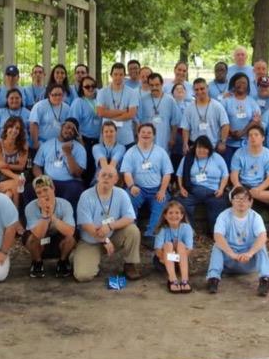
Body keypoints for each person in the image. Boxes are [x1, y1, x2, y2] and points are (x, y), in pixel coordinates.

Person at [72, 160, 141, 288]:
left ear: (116, 180)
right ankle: (77, 257)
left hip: (113, 235)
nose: (106, 178)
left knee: (133, 230)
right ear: (97, 176)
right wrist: (104, 240)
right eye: (103, 175)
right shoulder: (86, 196)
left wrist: (110, 226)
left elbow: (130, 217)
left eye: (110, 176)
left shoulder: (121, 194)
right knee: (83, 276)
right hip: (90, 241)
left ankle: (130, 264)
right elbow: (86, 225)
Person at [206, 184, 269, 297]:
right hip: (228, 260)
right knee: (217, 246)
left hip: (248, 260)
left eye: (245, 199)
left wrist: (250, 253)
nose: (241, 202)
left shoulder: (255, 217)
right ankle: (213, 278)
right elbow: (218, 236)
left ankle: (265, 279)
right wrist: (231, 254)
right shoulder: (223, 216)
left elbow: (263, 236)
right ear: (232, 201)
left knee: (261, 246)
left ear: (250, 202)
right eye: (237, 198)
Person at [121, 121, 174, 241]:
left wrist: (162, 190)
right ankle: (131, 232)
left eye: (149, 132)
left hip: (157, 188)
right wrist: (131, 186)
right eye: (143, 132)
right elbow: (127, 173)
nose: (146, 135)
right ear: (138, 134)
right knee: (128, 199)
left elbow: (167, 174)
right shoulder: (131, 152)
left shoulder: (161, 152)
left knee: (162, 204)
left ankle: (151, 234)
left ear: (154, 135)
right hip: (138, 188)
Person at [23, 172, 76, 277]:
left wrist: (53, 217)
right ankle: (37, 262)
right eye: (39, 192)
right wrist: (45, 216)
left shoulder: (65, 204)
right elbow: (38, 235)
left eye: (45, 190)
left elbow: (70, 231)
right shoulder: (30, 207)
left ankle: (63, 262)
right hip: (42, 241)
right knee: (31, 238)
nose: (43, 194)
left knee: (72, 238)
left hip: (58, 240)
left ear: (53, 188)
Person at [178, 134, 229, 234]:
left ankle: (215, 232)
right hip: (193, 190)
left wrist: (221, 189)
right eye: (199, 148)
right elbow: (179, 175)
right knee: (181, 202)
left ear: (209, 149)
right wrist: (181, 188)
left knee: (219, 203)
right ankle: (189, 230)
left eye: (204, 148)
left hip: (213, 192)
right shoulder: (188, 158)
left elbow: (225, 175)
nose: (201, 150)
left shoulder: (217, 157)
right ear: (195, 148)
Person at [36, 118, 90, 210]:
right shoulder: (47, 144)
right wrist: (42, 179)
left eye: (73, 130)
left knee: (75, 189)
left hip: (69, 183)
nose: (69, 131)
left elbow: (76, 173)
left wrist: (68, 154)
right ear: (62, 127)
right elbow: (36, 166)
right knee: (29, 189)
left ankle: (67, 221)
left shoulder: (79, 148)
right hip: (49, 182)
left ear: (75, 134)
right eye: (68, 127)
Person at [229, 122, 269, 208]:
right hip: (243, 186)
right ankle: (248, 197)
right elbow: (234, 175)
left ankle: (248, 197)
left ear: (263, 138)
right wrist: (239, 187)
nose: (253, 137)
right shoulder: (239, 153)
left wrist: (258, 189)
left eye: (256, 135)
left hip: (260, 188)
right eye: (250, 135)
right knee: (234, 194)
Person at [0, 111, 31, 215]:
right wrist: (15, 176)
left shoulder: (24, 145)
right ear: (6, 129)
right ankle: (16, 216)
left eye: (17, 128)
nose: (14, 130)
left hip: (16, 179)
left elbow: (21, 166)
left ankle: (7, 219)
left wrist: (6, 165)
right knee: (15, 184)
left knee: (9, 195)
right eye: (11, 127)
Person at [95, 61, 140, 151]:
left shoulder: (132, 92)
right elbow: (100, 112)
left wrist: (110, 116)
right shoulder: (102, 92)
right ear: (111, 75)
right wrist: (123, 112)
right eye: (115, 74)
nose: (118, 77)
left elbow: (131, 114)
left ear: (124, 76)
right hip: (107, 138)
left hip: (126, 138)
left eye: (121, 74)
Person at [154, 198, 195, 293]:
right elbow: (158, 251)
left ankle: (185, 280)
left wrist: (173, 258)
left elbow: (189, 250)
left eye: (177, 213)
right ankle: (173, 280)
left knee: (181, 245)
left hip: (182, 258)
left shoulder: (187, 227)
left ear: (182, 215)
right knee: (168, 245)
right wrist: (168, 258)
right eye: (170, 213)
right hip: (162, 261)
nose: (174, 216)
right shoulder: (162, 229)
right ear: (165, 215)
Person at [28, 80, 73, 150]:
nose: (57, 97)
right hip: (42, 143)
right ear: (49, 94)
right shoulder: (39, 106)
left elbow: (70, 125)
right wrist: (35, 142)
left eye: (60, 95)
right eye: (54, 95)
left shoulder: (67, 107)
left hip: (60, 143)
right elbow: (33, 124)